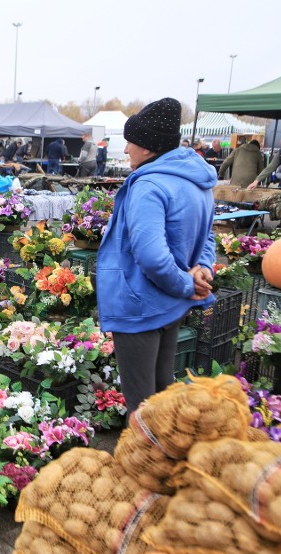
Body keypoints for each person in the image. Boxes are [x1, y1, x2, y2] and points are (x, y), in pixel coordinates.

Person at [96, 97, 216, 415]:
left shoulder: (149, 185)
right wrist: (202, 268)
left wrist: (188, 285)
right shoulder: (197, 181)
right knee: (163, 390)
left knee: (142, 409)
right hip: (171, 304)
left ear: (148, 148)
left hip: (141, 304)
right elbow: (209, 235)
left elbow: (151, 257)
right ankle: (168, 458)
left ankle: (143, 463)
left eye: (129, 143)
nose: (125, 151)